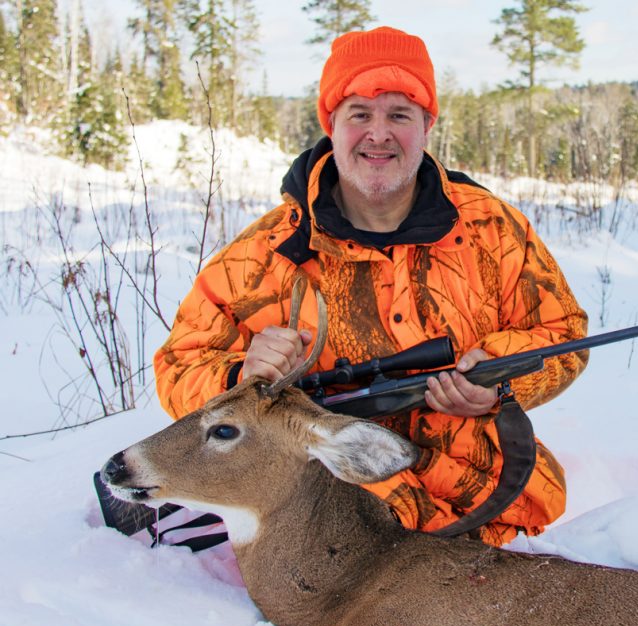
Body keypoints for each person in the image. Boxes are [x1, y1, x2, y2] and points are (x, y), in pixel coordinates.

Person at [154, 26, 588, 547]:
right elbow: (179, 363)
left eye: (399, 115)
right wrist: (239, 376)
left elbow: (563, 334)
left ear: (426, 126)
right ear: (331, 125)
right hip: (325, 504)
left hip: (484, 498)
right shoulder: (268, 250)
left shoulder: (491, 228)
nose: (378, 133)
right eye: (359, 113)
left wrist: (495, 379)